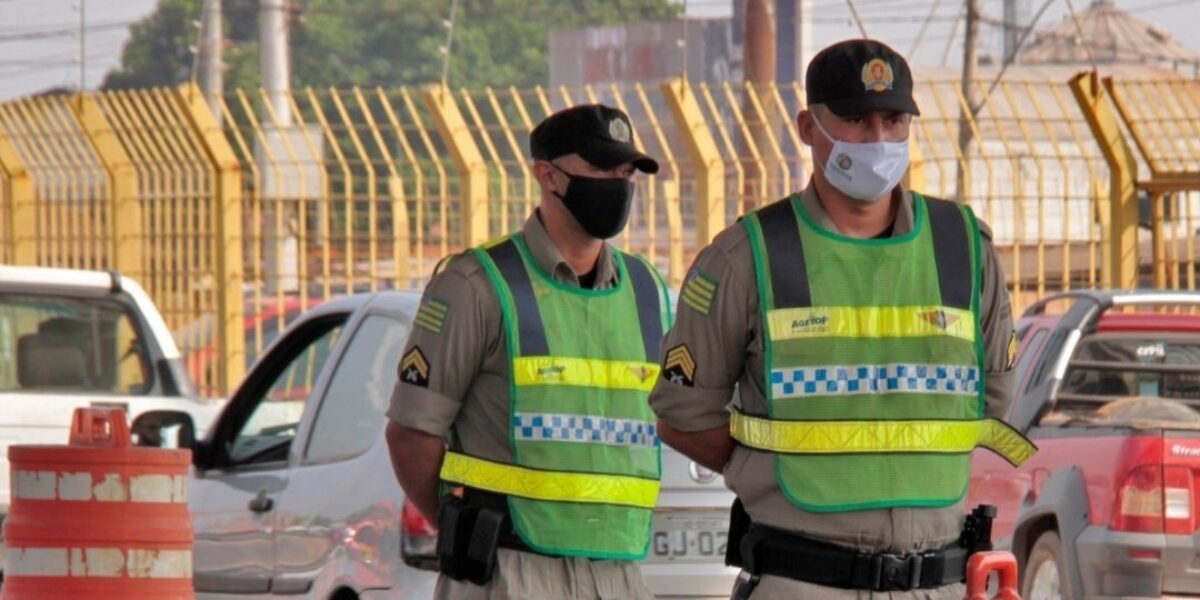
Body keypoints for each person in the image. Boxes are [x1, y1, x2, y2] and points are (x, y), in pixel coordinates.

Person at [648, 38, 1037, 599]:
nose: (878, 139)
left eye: (893, 119)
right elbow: (683, 416)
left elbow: (991, 406)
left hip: (939, 582)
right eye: (855, 119)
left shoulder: (964, 250)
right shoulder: (748, 256)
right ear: (808, 127)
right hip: (803, 580)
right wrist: (775, 473)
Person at [385, 103, 672, 600]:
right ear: (549, 176)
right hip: (508, 571)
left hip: (618, 574)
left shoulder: (647, 289)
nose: (619, 184)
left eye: (626, 172)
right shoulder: (476, 285)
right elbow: (411, 435)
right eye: (602, 169)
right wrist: (468, 528)